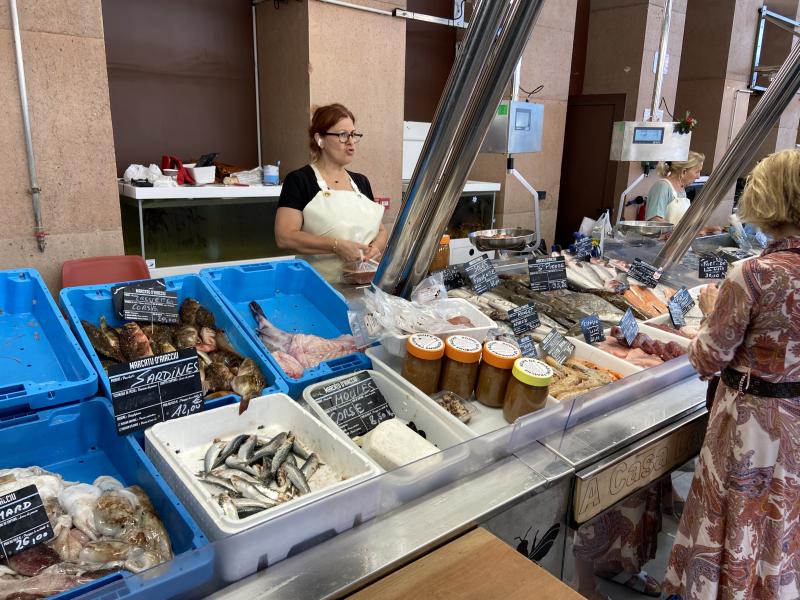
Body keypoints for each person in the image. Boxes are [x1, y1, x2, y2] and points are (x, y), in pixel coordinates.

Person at [663, 148, 800, 599]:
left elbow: (707, 360)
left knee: (733, 519)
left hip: (748, 425)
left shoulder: (754, 273)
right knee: (777, 522)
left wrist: (707, 310)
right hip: (794, 423)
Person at [275, 103, 387, 282]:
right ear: (320, 139)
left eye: (353, 135)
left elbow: (381, 230)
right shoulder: (300, 180)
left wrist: (376, 248)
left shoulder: (361, 182)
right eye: (343, 135)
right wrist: (336, 246)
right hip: (317, 290)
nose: (351, 143)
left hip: (364, 287)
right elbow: (285, 237)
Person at [644, 151, 705, 224]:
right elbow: (654, 220)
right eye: (697, 172)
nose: (698, 176)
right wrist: (678, 231)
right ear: (684, 172)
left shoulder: (681, 190)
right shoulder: (662, 187)